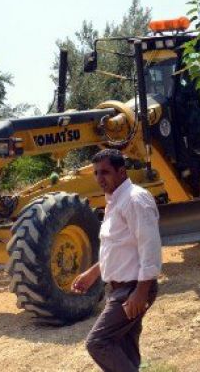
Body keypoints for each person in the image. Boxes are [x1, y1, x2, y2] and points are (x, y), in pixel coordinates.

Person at [72, 148, 162, 372]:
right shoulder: (114, 200)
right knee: (124, 348)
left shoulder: (135, 199)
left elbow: (150, 247)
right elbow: (117, 247)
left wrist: (140, 292)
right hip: (119, 288)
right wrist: (93, 273)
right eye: (96, 173)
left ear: (121, 171)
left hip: (133, 288)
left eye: (105, 172)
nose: (99, 178)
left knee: (98, 342)